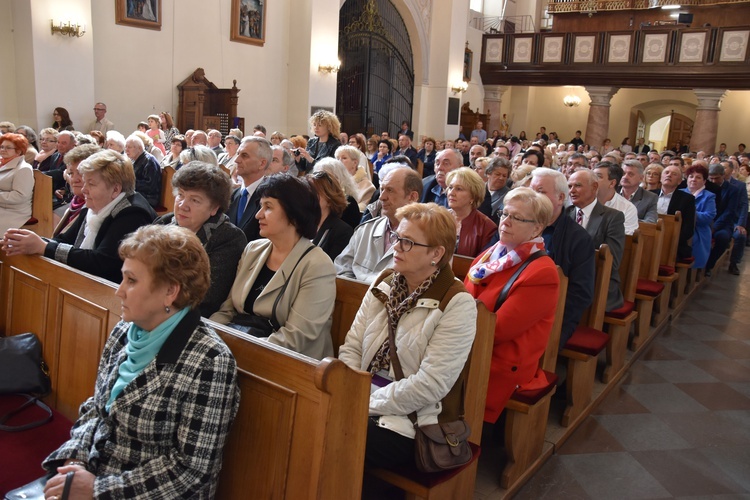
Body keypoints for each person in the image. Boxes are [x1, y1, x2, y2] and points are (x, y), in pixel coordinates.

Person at [40, 225, 240, 499]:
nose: (119, 292)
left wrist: (96, 489)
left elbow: (191, 471)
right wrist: (75, 463)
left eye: (131, 281)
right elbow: (96, 409)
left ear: (171, 291)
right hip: (91, 476)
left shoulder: (210, 360)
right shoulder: (125, 331)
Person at [338, 203, 477, 469]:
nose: (395, 247)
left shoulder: (456, 302)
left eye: (408, 242)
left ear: (436, 253)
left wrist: (362, 403)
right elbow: (352, 347)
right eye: (397, 238)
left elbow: (431, 384)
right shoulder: (385, 281)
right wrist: (348, 389)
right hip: (361, 395)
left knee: (339, 436)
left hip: (413, 420)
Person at [210, 174, 336, 360]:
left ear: (294, 213)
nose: (258, 215)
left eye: (268, 207)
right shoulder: (253, 250)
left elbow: (296, 337)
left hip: (289, 367)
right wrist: (208, 338)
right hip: (239, 350)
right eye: (260, 206)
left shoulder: (317, 265)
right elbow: (228, 310)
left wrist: (233, 352)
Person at [463, 187, 559, 424]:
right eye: (504, 214)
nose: (505, 222)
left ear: (537, 228)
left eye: (515, 218)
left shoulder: (542, 272)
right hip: (469, 342)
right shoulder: (490, 255)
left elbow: (498, 330)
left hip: (499, 359)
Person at [2, 150, 157, 283]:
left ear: (115, 189)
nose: (84, 190)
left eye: (91, 184)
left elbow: (102, 262)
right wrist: (26, 242)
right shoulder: (97, 205)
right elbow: (65, 240)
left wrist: (44, 247)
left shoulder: (132, 213)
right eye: (85, 183)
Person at [155, 162, 247, 317]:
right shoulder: (163, 223)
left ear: (214, 208)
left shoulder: (229, 238)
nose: (183, 205)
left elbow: (206, 298)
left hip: (189, 318)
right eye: (181, 195)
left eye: (195, 200)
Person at [447, 167, 496, 257]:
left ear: (473, 197)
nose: (451, 193)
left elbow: (482, 263)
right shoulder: (439, 218)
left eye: (459, 189)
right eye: (450, 188)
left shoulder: (487, 227)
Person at [53, 144, 101, 236]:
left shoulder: (97, 208)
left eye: (81, 173)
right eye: (71, 173)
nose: (74, 179)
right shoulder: (76, 201)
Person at [308, 170, 354, 260]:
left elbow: (334, 267)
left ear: (329, 200)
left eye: (314, 193)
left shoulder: (342, 232)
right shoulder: (301, 225)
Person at [681, 164, 716, 269]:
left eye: (698, 177)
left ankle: (691, 273)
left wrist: (690, 214)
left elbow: (709, 216)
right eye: (691, 176)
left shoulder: (709, 196)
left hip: (698, 230)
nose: (693, 179)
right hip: (680, 228)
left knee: (690, 240)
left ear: (704, 181)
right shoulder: (679, 193)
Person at [0, 133, 34, 236]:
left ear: (18, 151)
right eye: (1, 146)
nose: (3, 149)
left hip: (12, 212)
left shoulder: (24, 168)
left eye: (8, 148)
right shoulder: (2, 163)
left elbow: (20, 196)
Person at [313, 157, 362, 227]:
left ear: (337, 178)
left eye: (324, 177)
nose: (319, 180)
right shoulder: (314, 198)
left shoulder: (348, 201)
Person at [295, 110, 342, 174]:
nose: (316, 128)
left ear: (329, 127)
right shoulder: (311, 142)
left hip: (323, 181)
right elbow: (303, 168)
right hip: (309, 179)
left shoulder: (335, 145)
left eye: (319, 125)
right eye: (314, 125)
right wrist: (298, 159)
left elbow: (331, 169)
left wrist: (310, 159)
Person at [125, 134, 162, 208]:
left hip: (149, 198)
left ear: (139, 148)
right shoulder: (134, 160)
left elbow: (150, 186)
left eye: (129, 147)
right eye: (126, 147)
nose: (126, 150)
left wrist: (128, 183)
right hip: (138, 194)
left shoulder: (149, 161)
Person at [336, 145, 375, 212]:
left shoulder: (368, 186)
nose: (339, 161)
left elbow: (360, 210)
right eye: (337, 158)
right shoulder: (333, 181)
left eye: (344, 158)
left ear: (355, 163)